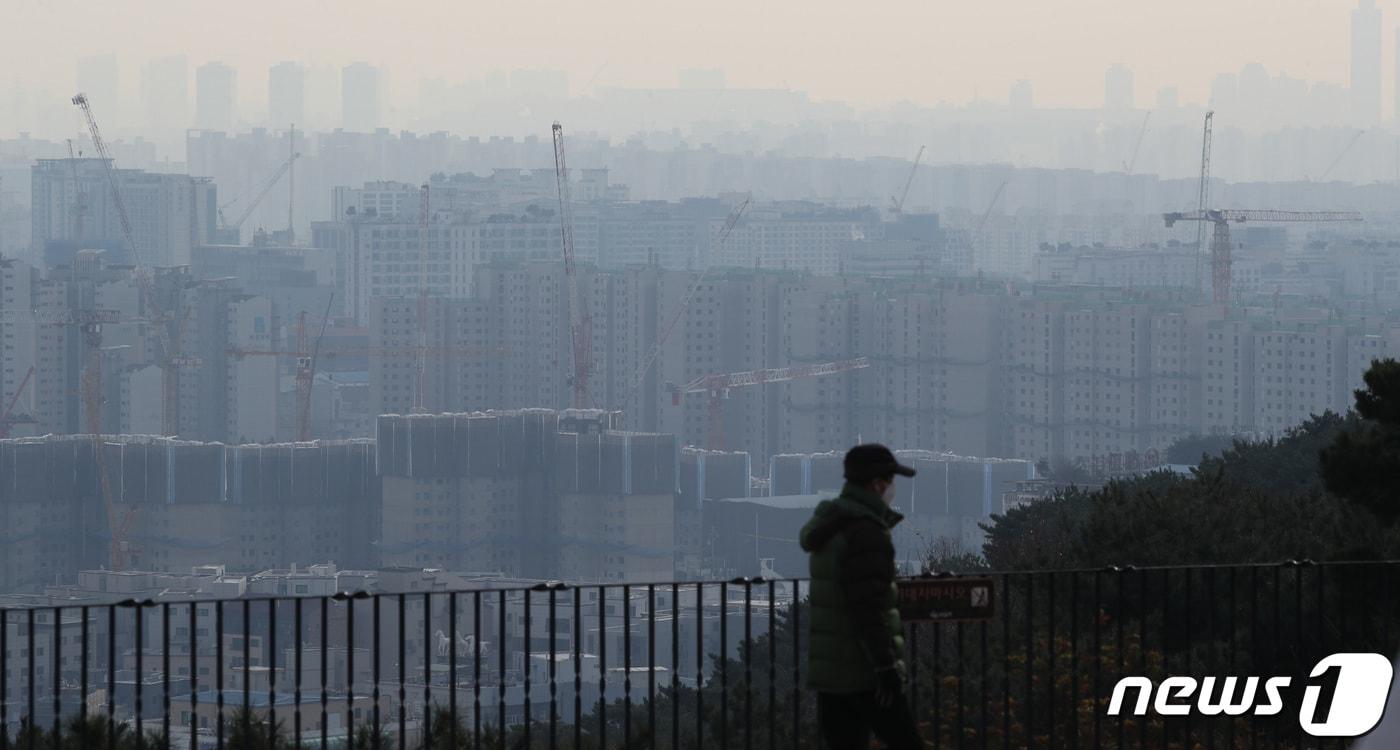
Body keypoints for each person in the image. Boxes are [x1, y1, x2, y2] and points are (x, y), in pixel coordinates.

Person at [800, 443, 923, 749]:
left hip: (832, 675)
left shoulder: (831, 526)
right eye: (891, 481)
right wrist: (885, 667)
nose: (893, 489)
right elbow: (868, 607)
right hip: (865, 673)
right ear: (877, 484)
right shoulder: (866, 533)